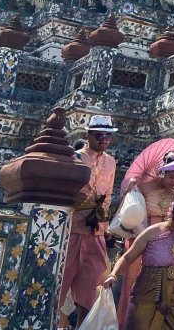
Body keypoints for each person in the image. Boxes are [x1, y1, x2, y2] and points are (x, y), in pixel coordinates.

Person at [103, 194, 174, 330]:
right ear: (172, 212)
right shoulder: (152, 232)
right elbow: (127, 257)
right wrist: (113, 275)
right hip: (148, 292)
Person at [59, 114, 118, 327]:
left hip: (96, 231)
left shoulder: (111, 162)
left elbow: (108, 195)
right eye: (99, 135)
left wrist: (105, 225)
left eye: (108, 136)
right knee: (59, 285)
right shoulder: (75, 157)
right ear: (88, 135)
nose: (104, 139)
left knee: (93, 289)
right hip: (72, 229)